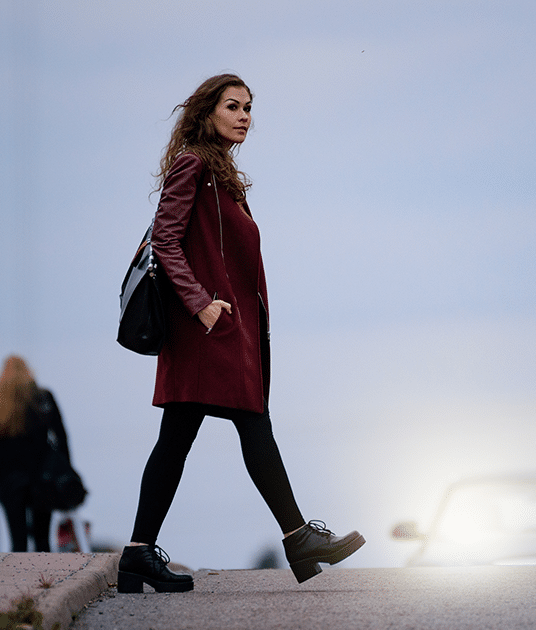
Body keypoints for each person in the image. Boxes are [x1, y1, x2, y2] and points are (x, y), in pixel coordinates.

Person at [118, 73, 364, 593]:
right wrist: (201, 304)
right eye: (233, 106)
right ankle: (297, 538)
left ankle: (141, 554)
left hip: (226, 332)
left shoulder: (219, 171)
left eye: (249, 107)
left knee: (196, 437)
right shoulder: (194, 164)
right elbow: (165, 239)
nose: (244, 116)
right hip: (206, 331)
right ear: (208, 112)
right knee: (234, 431)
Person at [0, 355, 70, 552]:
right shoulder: (42, 397)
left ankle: (20, 579)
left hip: (6, 480)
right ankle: (46, 580)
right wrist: (65, 476)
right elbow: (61, 437)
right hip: (42, 478)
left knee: (18, 541)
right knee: (42, 540)